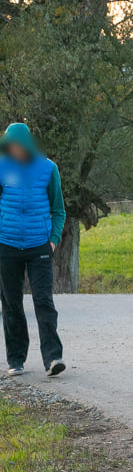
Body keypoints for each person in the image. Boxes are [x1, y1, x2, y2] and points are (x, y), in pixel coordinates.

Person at [0, 123, 66, 377]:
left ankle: (53, 358)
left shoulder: (48, 169)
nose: (13, 150)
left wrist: (53, 240)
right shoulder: (2, 166)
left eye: (16, 146)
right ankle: (16, 359)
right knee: (12, 303)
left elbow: (58, 209)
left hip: (39, 245)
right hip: (7, 245)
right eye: (9, 147)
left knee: (43, 300)